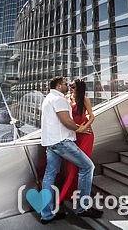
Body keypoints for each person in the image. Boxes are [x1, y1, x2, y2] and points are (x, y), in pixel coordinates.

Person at [39, 75, 103, 224]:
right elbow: (67, 121)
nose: (67, 86)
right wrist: (80, 129)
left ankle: (46, 215)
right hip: (62, 142)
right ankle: (82, 208)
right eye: (65, 84)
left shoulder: (48, 98)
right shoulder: (58, 99)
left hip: (51, 142)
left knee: (49, 175)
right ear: (58, 85)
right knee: (87, 167)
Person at [59, 78, 95, 203]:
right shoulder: (66, 98)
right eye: (70, 86)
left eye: (73, 87)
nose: (70, 88)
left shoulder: (84, 99)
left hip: (85, 135)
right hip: (73, 134)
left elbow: (92, 116)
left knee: (82, 165)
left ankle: (81, 197)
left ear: (79, 88)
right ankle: (70, 193)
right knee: (71, 166)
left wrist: (83, 128)